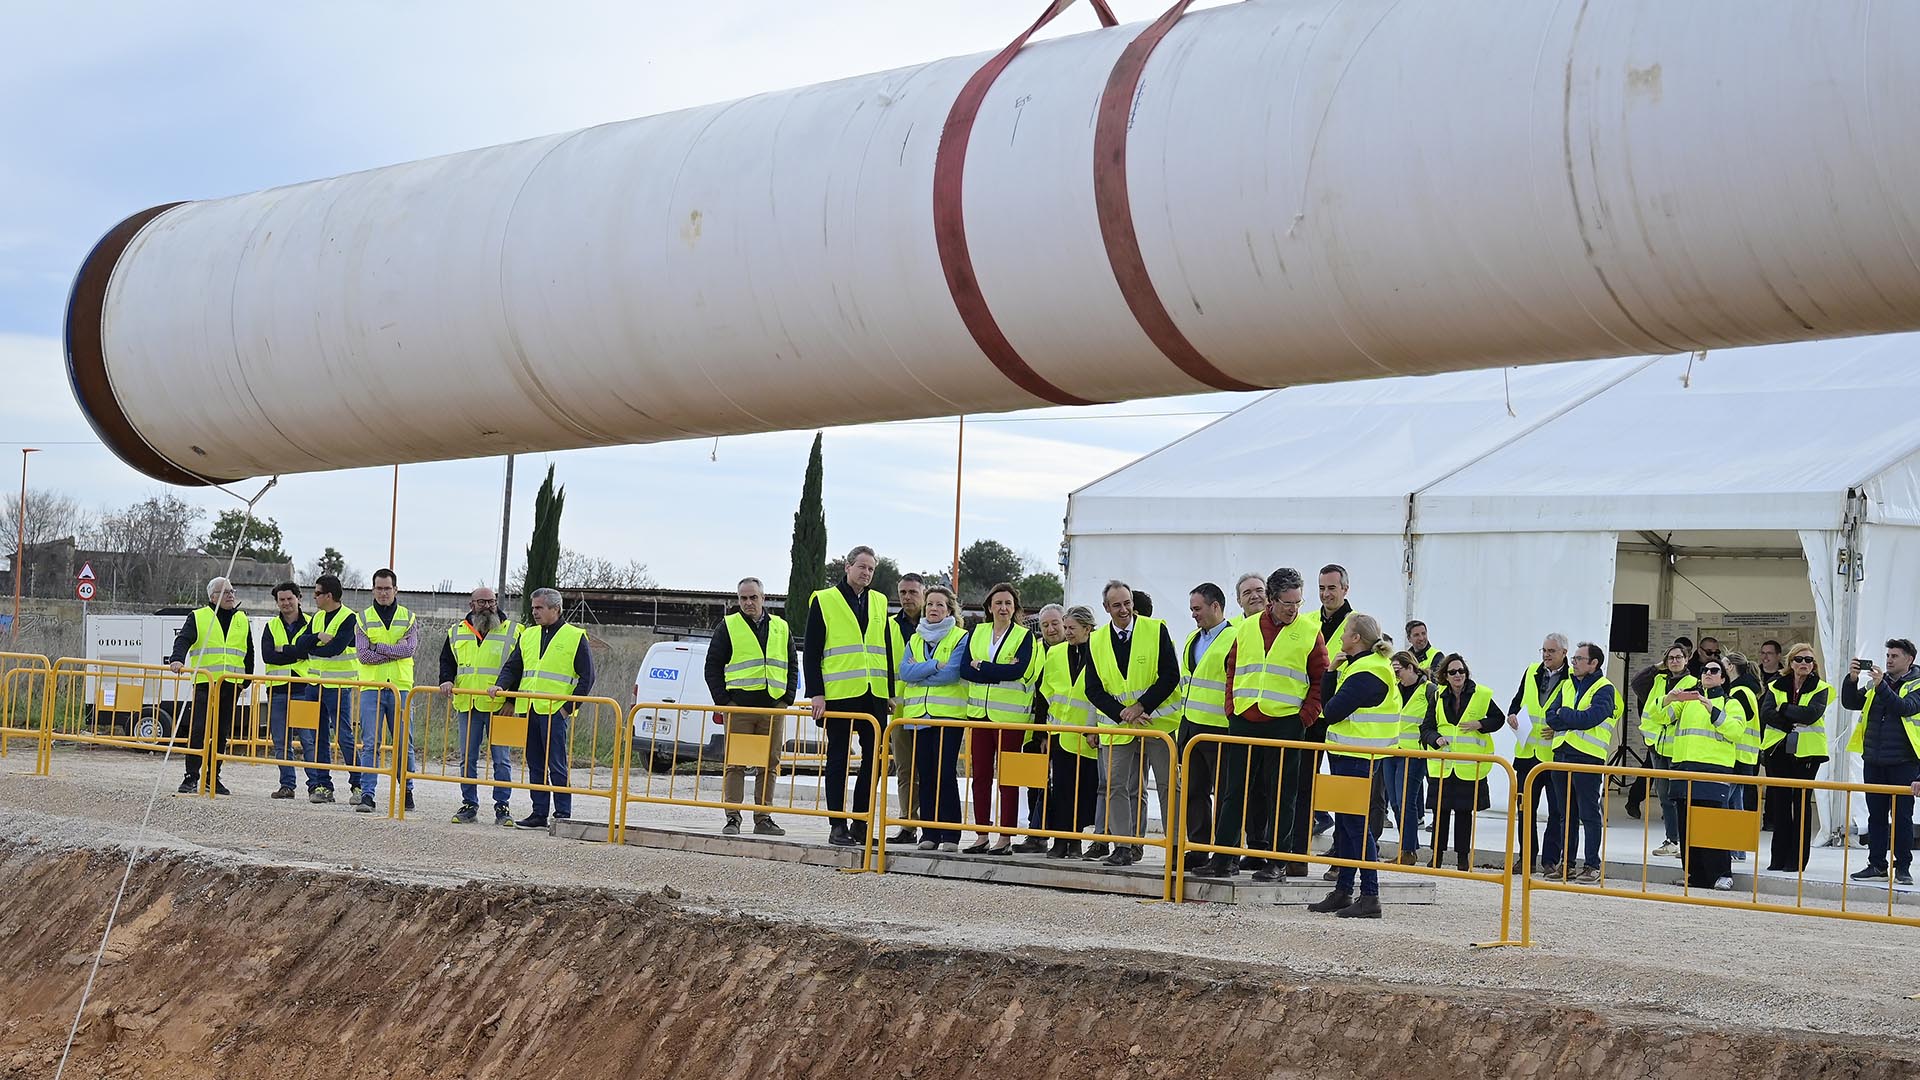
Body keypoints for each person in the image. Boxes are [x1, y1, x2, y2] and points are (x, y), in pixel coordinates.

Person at [1208, 567, 1328, 881]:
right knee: (1233, 791)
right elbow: (1233, 667)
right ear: (1271, 600)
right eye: (1288, 603)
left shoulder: (1309, 631)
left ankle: (1278, 861)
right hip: (1245, 719)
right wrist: (1231, 707)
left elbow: (1322, 680)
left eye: (1298, 603)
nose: (1293, 609)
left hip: (1285, 724)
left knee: (1282, 794)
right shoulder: (1246, 628)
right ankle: (1224, 857)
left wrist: (1305, 717)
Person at [805, 546, 900, 848]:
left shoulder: (879, 601)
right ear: (847, 567)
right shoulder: (824, 600)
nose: (867, 573)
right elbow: (811, 651)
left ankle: (861, 823)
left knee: (874, 761)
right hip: (839, 694)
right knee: (837, 760)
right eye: (862, 566)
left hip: (874, 694)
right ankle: (837, 825)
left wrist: (890, 692)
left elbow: (884, 648)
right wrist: (816, 693)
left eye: (871, 569)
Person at [1308, 613, 1401, 919]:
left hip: (1356, 756)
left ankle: (1370, 895)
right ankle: (1343, 891)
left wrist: (1330, 673)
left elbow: (1331, 710)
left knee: (1357, 827)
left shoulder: (1367, 672)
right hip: (1349, 753)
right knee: (1348, 826)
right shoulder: (1363, 666)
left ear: (1356, 638)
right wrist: (1334, 672)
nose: (1342, 636)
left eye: (1346, 632)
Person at [1084, 579, 1180, 867]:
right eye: (1117, 605)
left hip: (1157, 722)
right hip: (1118, 727)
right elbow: (1093, 688)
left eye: (1127, 603)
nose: (1124, 609)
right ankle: (1124, 846)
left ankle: (1174, 848)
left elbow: (1169, 675)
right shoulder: (1097, 639)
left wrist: (1140, 706)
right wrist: (1122, 713)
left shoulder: (1155, 629)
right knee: (1116, 786)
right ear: (1106, 608)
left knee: (1167, 785)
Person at [492, 587, 595, 829]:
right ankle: (539, 813)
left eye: (539, 607)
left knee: (556, 764)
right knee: (535, 764)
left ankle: (562, 814)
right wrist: (500, 685)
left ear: (555, 609)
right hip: (528, 709)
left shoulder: (574, 636)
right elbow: (513, 666)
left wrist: (567, 708)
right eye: (533, 607)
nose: (534, 612)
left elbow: (587, 677)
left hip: (555, 711)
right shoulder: (528, 635)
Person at [703, 577, 794, 836]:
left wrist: (786, 698)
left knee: (769, 764)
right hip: (740, 708)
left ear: (763, 598)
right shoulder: (728, 626)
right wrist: (725, 702)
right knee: (736, 764)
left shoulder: (780, 627)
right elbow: (712, 667)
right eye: (743, 598)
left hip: (772, 708)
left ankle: (763, 818)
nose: (748, 602)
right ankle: (733, 818)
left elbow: (791, 664)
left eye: (753, 597)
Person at [961, 582, 1040, 854]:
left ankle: (1005, 837)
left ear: (1015, 607)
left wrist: (982, 666)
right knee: (980, 776)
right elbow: (965, 669)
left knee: (1008, 779)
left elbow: (1016, 673)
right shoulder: (978, 632)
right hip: (979, 716)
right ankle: (981, 834)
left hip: (1009, 719)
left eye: (1008, 603)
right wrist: (995, 669)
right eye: (998, 603)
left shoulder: (1023, 636)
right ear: (989, 607)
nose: (1003, 607)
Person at [1538, 641, 1619, 884]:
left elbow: (1591, 718)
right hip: (1562, 755)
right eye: (1573, 659)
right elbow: (1550, 716)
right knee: (1566, 814)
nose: (1573, 663)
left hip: (1587, 757)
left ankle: (1592, 865)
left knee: (1589, 814)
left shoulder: (1605, 688)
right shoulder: (1566, 685)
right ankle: (1568, 864)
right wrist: (1565, 717)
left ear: (1594, 663)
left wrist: (1566, 716)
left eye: (1578, 659)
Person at [438, 587, 519, 827]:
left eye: (492, 601)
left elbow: (519, 667)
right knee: (467, 758)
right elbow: (447, 660)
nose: (488, 606)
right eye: (482, 602)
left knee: (502, 760)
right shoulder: (457, 631)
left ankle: (502, 807)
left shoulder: (514, 631)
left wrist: (512, 701)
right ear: (471, 604)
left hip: (500, 707)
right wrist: (446, 679)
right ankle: (469, 804)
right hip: (468, 704)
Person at [166, 576, 253, 796]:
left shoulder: (242, 619)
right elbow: (183, 639)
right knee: (200, 729)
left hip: (231, 684)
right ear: (213, 597)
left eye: (232, 591)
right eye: (225, 592)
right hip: (206, 682)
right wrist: (177, 659)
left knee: (221, 732)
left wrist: (246, 680)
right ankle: (191, 776)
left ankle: (212, 777)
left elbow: (248, 651)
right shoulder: (199, 616)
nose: (231, 595)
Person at [1842, 639, 1920, 885]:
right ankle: (1876, 864)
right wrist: (1852, 680)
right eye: (1888, 655)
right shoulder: (1878, 682)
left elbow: (1905, 707)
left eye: (1895, 656)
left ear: (1909, 659)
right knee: (1875, 816)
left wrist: (1881, 685)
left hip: (1904, 761)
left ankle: (1903, 866)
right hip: (1874, 760)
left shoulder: (1916, 684)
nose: (1889, 660)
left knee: (1902, 818)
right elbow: (1851, 702)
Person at [897, 585, 969, 852]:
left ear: (949, 609)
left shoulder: (960, 637)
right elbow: (905, 671)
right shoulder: (915, 638)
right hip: (918, 717)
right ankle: (929, 832)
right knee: (925, 775)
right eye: (930, 605)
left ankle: (950, 834)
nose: (934, 609)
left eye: (940, 605)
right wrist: (932, 665)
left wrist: (921, 669)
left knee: (945, 774)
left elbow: (951, 674)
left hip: (947, 717)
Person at [1175, 583, 1238, 873]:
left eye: (1197, 609)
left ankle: (1226, 853)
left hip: (1219, 730)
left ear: (1216, 606)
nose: (1193, 615)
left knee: (1225, 793)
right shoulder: (1192, 639)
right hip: (1191, 728)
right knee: (1194, 792)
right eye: (1191, 610)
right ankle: (1199, 848)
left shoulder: (1234, 637)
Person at [1664, 661, 1744, 890]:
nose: (1708, 674)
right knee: (1686, 826)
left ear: (1723, 678)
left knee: (1713, 826)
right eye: (1705, 671)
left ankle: (1723, 874)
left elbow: (1736, 732)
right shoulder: (1688, 703)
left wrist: (1713, 710)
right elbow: (1661, 718)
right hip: (1684, 770)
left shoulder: (1731, 703)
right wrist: (1669, 699)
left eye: (1714, 671)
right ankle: (1695, 875)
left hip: (1714, 771)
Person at [1422, 653, 1499, 871]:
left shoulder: (1481, 695)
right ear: (1445, 675)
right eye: (1453, 672)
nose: (1458, 675)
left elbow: (1498, 719)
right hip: (1444, 765)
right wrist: (1435, 739)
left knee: (1464, 814)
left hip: (1467, 766)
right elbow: (1426, 728)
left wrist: (1480, 724)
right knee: (1440, 813)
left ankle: (1462, 859)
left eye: (1461, 671)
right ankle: (1436, 856)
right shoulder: (1437, 697)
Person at [1036, 605, 1100, 858]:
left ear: (1087, 628)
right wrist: (1044, 731)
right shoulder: (1055, 653)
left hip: (1088, 735)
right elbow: (1046, 690)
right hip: (1061, 732)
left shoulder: (1099, 651)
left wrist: (1094, 726)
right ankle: (1061, 840)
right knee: (1061, 790)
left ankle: (1076, 841)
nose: (1067, 632)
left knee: (1084, 791)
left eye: (1072, 628)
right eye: (1067, 627)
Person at [354, 568, 420, 814]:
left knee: (404, 743)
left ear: (395, 589)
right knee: (370, 742)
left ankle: (407, 791)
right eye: (379, 588)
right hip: (372, 687)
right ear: (373, 590)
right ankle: (368, 795)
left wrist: (378, 646)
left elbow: (409, 650)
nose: (383, 593)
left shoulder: (408, 617)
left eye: (387, 588)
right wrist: (393, 649)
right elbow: (363, 655)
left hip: (402, 688)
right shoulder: (363, 619)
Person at [1505, 634, 1569, 875]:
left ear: (1564, 653)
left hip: (1554, 756)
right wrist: (1512, 716)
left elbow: (1573, 711)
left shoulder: (1571, 678)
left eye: (1551, 651)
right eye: (1543, 650)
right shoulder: (1532, 671)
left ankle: (1550, 860)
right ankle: (1526, 858)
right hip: (1527, 754)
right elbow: (1517, 702)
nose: (1546, 655)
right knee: (1525, 810)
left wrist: (1560, 727)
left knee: (1556, 811)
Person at [1301, 565, 1355, 848]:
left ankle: (1341, 845)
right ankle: (1297, 846)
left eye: (1332, 588)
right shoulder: (1307, 621)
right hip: (1311, 714)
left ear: (1345, 589)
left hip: (1339, 716)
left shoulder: (1358, 625)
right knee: (1303, 781)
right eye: (1321, 588)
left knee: (1340, 784)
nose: (1326, 594)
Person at [1763, 643, 1830, 872]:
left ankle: (1796, 860)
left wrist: (1783, 709)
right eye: (1799, 659)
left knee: (1801, 804)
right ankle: (1778, 858)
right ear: (1790, 663)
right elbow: (1766, 714)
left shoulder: (1821, 687)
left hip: (1807, 753)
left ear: (1814, 665)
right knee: (1780, 804)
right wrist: (1789, 719)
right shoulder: (1775, 685)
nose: (1804, 664)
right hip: (1777, 750)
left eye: (1809, 660)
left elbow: (1811, 715)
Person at [298, 573, 358, 803]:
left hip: (339, 687)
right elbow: (301, 643)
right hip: (314, 685)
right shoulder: (317, 618)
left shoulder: (349, 618)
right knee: (318, 736)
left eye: (317, 593)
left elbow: (336, 649)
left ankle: (358, 784)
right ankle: (323, 786)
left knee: (344, 736)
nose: (314, 598)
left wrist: (313, 647)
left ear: (329, 595)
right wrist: (318, 638)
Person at [262, 581, 322, 801]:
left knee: (308, 740)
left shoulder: (313, 625)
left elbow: (311, 653)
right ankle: (287, 785)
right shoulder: (271, 627)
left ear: (299, 598)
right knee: (281, 741)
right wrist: (296, 652)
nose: (286, 603)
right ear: (277, 602)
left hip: (304, 690)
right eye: (282, 600)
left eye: (289, 598)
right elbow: (268, 655)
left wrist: (284, 651)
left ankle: (315, 786)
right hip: (278, 691)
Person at [1639, 645, 1697, 857]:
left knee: (1681, 797)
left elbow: (1666, 715)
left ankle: (1686, 841)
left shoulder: (1693, 683)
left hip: (1679, 750)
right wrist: (1657, 667)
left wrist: (1663, 704)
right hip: (1658, 746)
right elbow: (1638, 683)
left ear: (1687, 659)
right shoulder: (1659, 680)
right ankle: (1672, 839)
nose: (1674, 661)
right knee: (1664, 796)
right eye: (1670, 658)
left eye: (1679, 657)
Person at [888, 573, 927, 844]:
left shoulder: (936, 623)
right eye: (903, 592)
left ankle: (929, 825)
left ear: (923, 593)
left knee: (928, 770)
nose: (907, 597)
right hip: (899, 710)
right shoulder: (888, 626)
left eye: (913, 592)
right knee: (904, 770)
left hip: (928, 708)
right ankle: (907, 824)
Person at [1386, 651, 1432, 865]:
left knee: (1406, 802)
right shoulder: (1392, 690)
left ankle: (1408, 850)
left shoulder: (1429, 691)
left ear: (1411, 668)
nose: (1396, 675)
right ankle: (1408, 847)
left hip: (1414, 754)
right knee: (1395, 802)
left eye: (1398, 670)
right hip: (1391, 750)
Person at [1722, 652, 1770, 859]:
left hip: (1737, 755)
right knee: (1736, 803)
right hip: (1746, 756)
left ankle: (1732, 847)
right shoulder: (1747, 690)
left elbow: (1738, 722)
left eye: (1721, 666)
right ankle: (1738, 849)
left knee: (1727, 803)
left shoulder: (1739, 692)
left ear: (1731, 667)